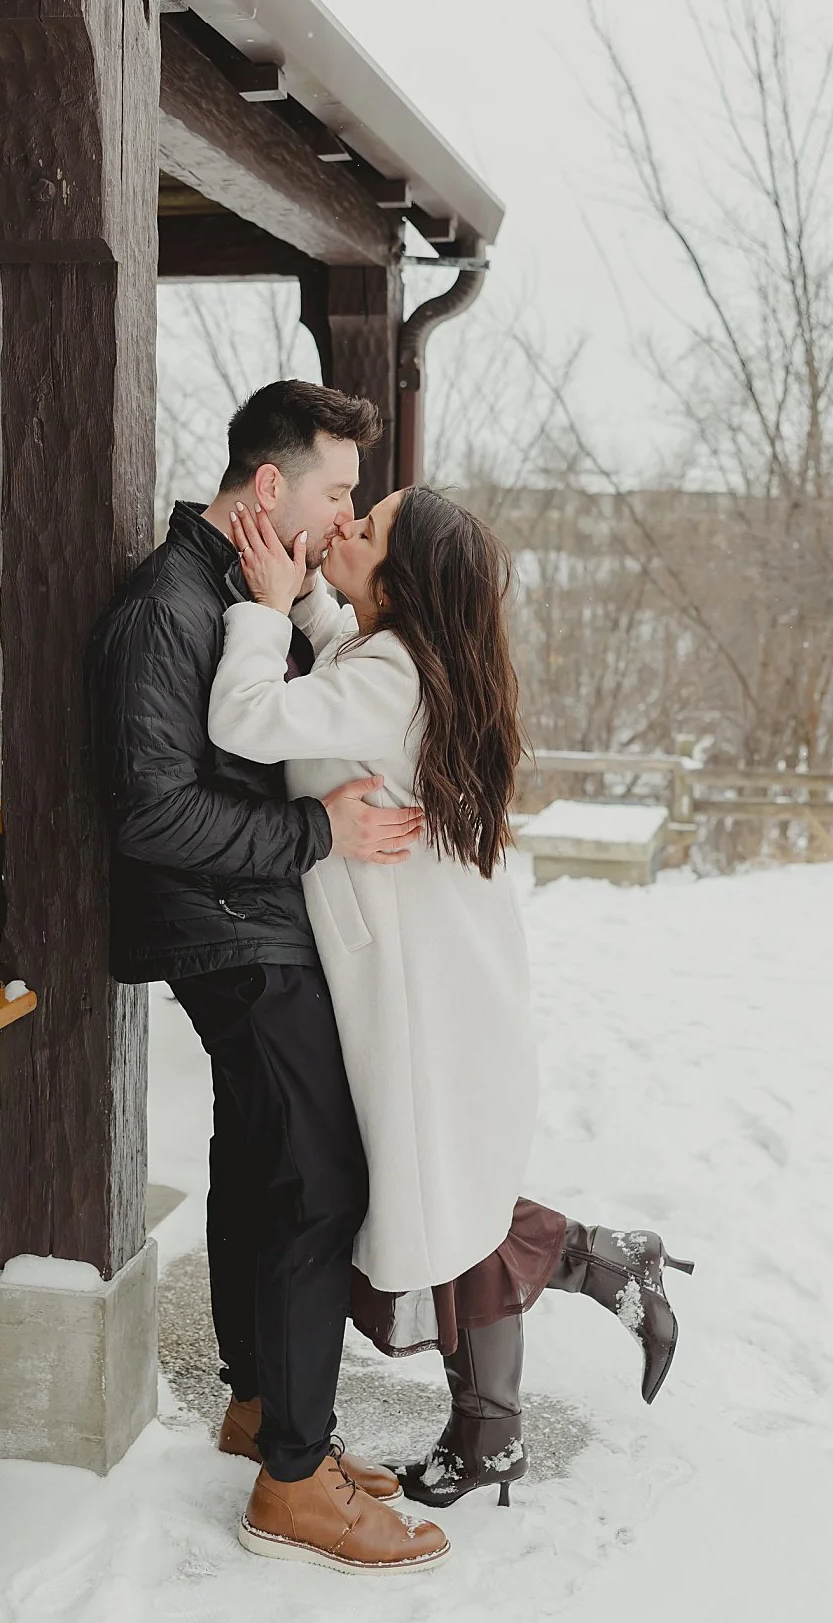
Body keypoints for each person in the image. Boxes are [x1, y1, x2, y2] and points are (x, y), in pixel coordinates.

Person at [210, 479, 693, 1516]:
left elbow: (247, 715)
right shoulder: (396, 660)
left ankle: (547, 1348)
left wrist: (257, 608)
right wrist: (301, 607)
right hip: (433, 992)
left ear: (402, 581)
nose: (343, 524)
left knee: (426, 1204)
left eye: (366, 526)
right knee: (430, 1201)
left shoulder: (390, 674)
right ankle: (584, 1294)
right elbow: (343, 651)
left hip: (426, 1010)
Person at [89, 380, 448, 1577]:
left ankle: (261, 1410)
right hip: (226, 925)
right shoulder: (169, 606)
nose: (344, 513)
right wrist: (317, 840)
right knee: (322, 1178)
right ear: (267, 487)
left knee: (260, 1163)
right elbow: (150, 812)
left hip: (262, 918)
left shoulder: (251, 592)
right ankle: (293, 1480)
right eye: (335, 489)